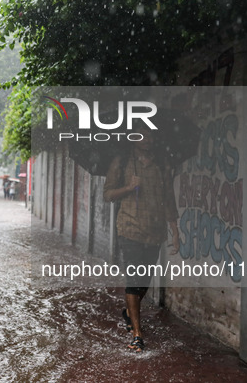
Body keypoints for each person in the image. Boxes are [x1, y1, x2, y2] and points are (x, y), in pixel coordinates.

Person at [103, 127, 180, 352]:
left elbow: (169, 198)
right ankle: (137, 333)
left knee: (145, 280)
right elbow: (107, 194)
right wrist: (128, 187)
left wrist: (175, 231)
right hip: (129, 229)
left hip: (154, 230)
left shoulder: (162, 164)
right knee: (134, 279)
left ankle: (129, 312)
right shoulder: (122, 161)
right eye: (142, 135)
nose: (147, 140)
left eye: (151, 135)